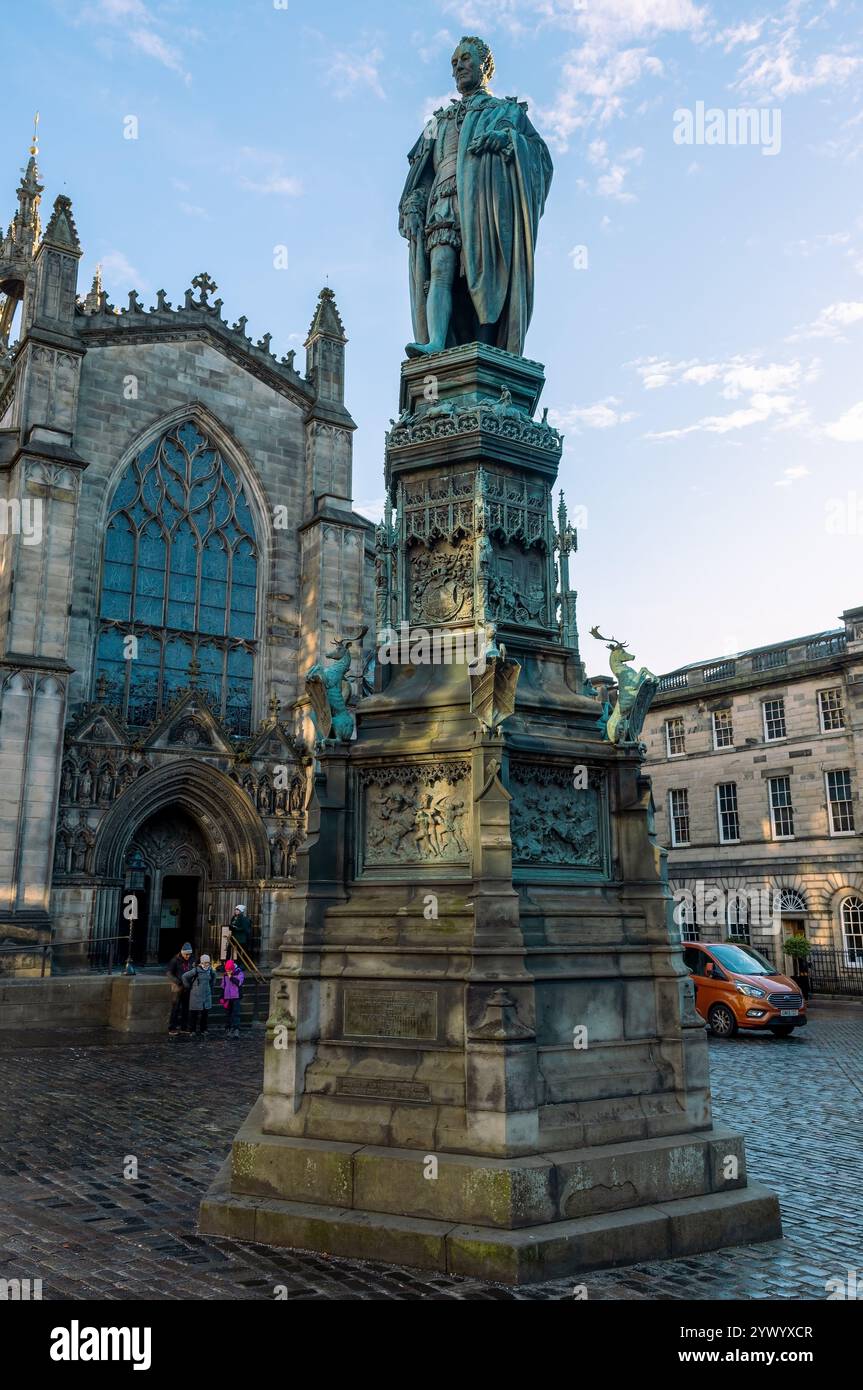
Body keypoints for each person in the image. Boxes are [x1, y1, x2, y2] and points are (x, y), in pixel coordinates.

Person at [183, 953, 216, 1037]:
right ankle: (192, 1030)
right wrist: (188, 987)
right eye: (205, 962)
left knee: (205, 1013)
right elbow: (185, 976)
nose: (207, 964)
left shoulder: (210, 970)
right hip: (196, 995)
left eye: (208, 962)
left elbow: (214, 977)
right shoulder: (196, 970)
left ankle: (203, 1029)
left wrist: (211, 987)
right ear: (201, 962)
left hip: (206, 994)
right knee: (194, 1013)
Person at [167, 942, 194, 1036]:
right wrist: (178, 981)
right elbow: (169, 973)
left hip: (187, 987)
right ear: (182, 953)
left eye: (189, 954)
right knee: (175, 1008)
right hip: (177, 988)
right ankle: (172, 1028)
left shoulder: (191, 960)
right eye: (186, 954)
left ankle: (184, 1027)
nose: (188, 956)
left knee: (186, 1008)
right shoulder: (175, 960)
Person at [217, 959, 245, 1039]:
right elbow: (223, 985)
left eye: (229, 970)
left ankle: (236, 1028)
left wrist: (231, 977)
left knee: (236, 1013)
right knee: (228, 1014)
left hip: (236, 997)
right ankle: (228, 1028)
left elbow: (239, 982)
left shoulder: (239, 972)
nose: (228, 971)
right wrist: (221, 996)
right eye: (227, 970)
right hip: (227, 997)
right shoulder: (225, 974)